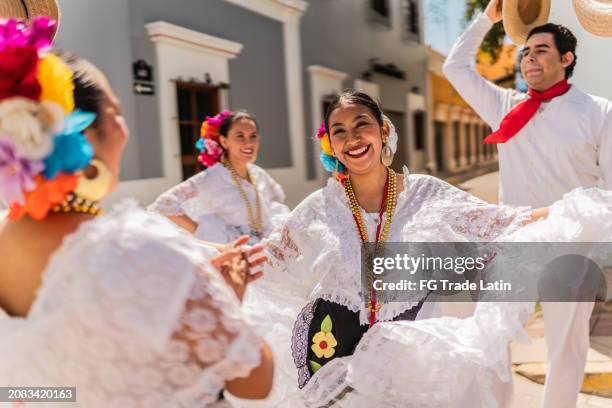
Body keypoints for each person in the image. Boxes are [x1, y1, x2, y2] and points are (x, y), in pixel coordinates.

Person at [227, 90, 612, 407]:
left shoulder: (425, 193)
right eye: (339, 131)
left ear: (382, 131)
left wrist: (576, 210)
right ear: (332, 144)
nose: (353, 138)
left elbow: (501, 222)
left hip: (407, 356)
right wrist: (203, 259)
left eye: (362, 124)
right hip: (329, 351)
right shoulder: (319, 206)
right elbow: (267, 257)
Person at [0, 17, 273, 406]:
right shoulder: (138, 249)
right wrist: (220, 301)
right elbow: (254, 382)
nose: (125, 130)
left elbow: (18, 392)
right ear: (84, 134)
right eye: (116, 111)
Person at [443, 0, 612, 406]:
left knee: (566, 347)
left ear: (567, 58)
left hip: (572, 242)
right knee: (491, 336)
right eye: (526, 52)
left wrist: (559, 215)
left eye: (541, 51)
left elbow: (608, 189)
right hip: (512, 241)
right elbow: (454, 67)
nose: (529, 59)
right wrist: (488, 17)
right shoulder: (504, 107)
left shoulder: (599, 113)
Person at [150, 110, 289, 244]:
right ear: (224, 141)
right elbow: (164, 204)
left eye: (253, 136)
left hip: (263, 252)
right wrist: (205, 233)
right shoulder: (212, 177)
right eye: (240, 136)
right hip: (234, 257)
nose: (249, 143)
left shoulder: (259, 174)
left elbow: (276, 200)